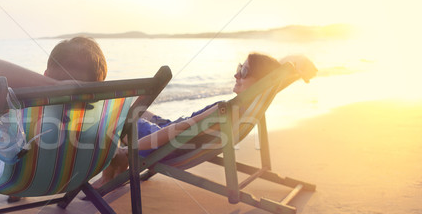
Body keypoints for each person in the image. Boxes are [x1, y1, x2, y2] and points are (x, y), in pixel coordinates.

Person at [92, 52, 316, 188]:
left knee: (114, 119)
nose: (236, 74)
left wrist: (128, 150)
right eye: (239, 68)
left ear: (259, 82)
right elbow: (277, 75)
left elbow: (179, 130)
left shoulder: (225, 110)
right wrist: (296, 68)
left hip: (162, 142)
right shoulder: (249, 105)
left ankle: (111, 174)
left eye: (244, 71)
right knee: (135, 111)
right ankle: (116, 172)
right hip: (168, 131)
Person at [0, 36, 107, 205]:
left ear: (45, 75)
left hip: (15, 179)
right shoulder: (105, 112)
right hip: (74, 176)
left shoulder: (26, 108)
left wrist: (52, 87)